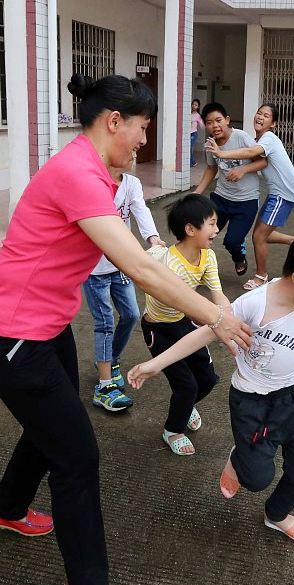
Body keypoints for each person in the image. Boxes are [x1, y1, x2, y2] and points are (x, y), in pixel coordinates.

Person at [0, 74, 251, 585]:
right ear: (113, 121)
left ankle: (5, 508)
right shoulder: (77, 172)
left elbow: (143, 247)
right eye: (142, 127)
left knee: (47, 428)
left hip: (39, 333)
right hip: (11, 339)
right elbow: (142, 269)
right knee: (77, 456)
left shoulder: (99, 171)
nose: (144, 140)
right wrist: (216, 315)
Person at [128, 231, 294, 543]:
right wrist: (156, 363)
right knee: (257, 478)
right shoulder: (253, 304)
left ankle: (277, 514)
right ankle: (239, 458)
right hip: (251, 402)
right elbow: (205, 334)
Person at [140, 194, 228, 457]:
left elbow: (218, 295)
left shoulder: (207, 257)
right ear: (190, 229)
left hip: (185, 322)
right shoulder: (168, 263)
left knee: (207, 380)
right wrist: (219, 322)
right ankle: (173, 430)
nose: (216, 229)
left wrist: (230, 316)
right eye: (211, 224)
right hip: (159, 331)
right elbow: (192, 307)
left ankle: (185, 406)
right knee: (186, 385)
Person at [82, 158, 164, 413]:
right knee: (105, 322)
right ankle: (104, 387)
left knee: (130, 314)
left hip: (121, 264)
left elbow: (141, 210)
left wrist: (153, 238)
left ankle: (109, 359)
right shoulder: (93, 185)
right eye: (129, 151)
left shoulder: (132, 184)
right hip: (94, 269)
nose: (134, 157)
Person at [205, 102, 294, 290]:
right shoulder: (260, 139)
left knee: (259, 236)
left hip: (282, 195)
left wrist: (223, 154)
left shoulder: (268, 138)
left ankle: (261, 276)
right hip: (274, 194)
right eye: (259, 113)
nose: (260, 117)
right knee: (260, 235)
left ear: (273, 124)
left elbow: (252, 153)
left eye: (266, 116)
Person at [192, 102, 267, 277]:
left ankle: (239, 256)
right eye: (209, 122)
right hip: (220, 198)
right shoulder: (210, 144)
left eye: (218, 120)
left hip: (246, 201)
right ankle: (197, 268)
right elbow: (211, 169)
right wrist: (197, 193)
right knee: (202, 234)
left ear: (227, 120)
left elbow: (263, 161)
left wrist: (243, 170)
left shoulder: (241, 137)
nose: (215, 126)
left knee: (232, 241)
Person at [189, 98, 204, 167]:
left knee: (189, 147)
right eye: (193, 104)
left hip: (193, 133)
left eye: (195, 105)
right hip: (187, 134)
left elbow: (202, 126)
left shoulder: (198, 116)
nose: (193, 106)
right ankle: (193, 162)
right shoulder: (188, 113)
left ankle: (191, 163)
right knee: (188, 148)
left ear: (198, 107)